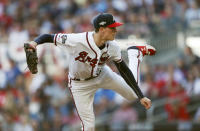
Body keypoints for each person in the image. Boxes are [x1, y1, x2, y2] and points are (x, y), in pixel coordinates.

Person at [26, 13, 156, 131]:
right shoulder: (77, 40)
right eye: (112, 28)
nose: (116, 30)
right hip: (80, 85)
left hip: (102, 74)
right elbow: (49, 37)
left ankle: (134, 53)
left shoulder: (113, 46)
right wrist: (34, 43)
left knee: (133, 94)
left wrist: (141, 95)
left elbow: (124, 70)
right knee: (89, 126)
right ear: (101, 29)